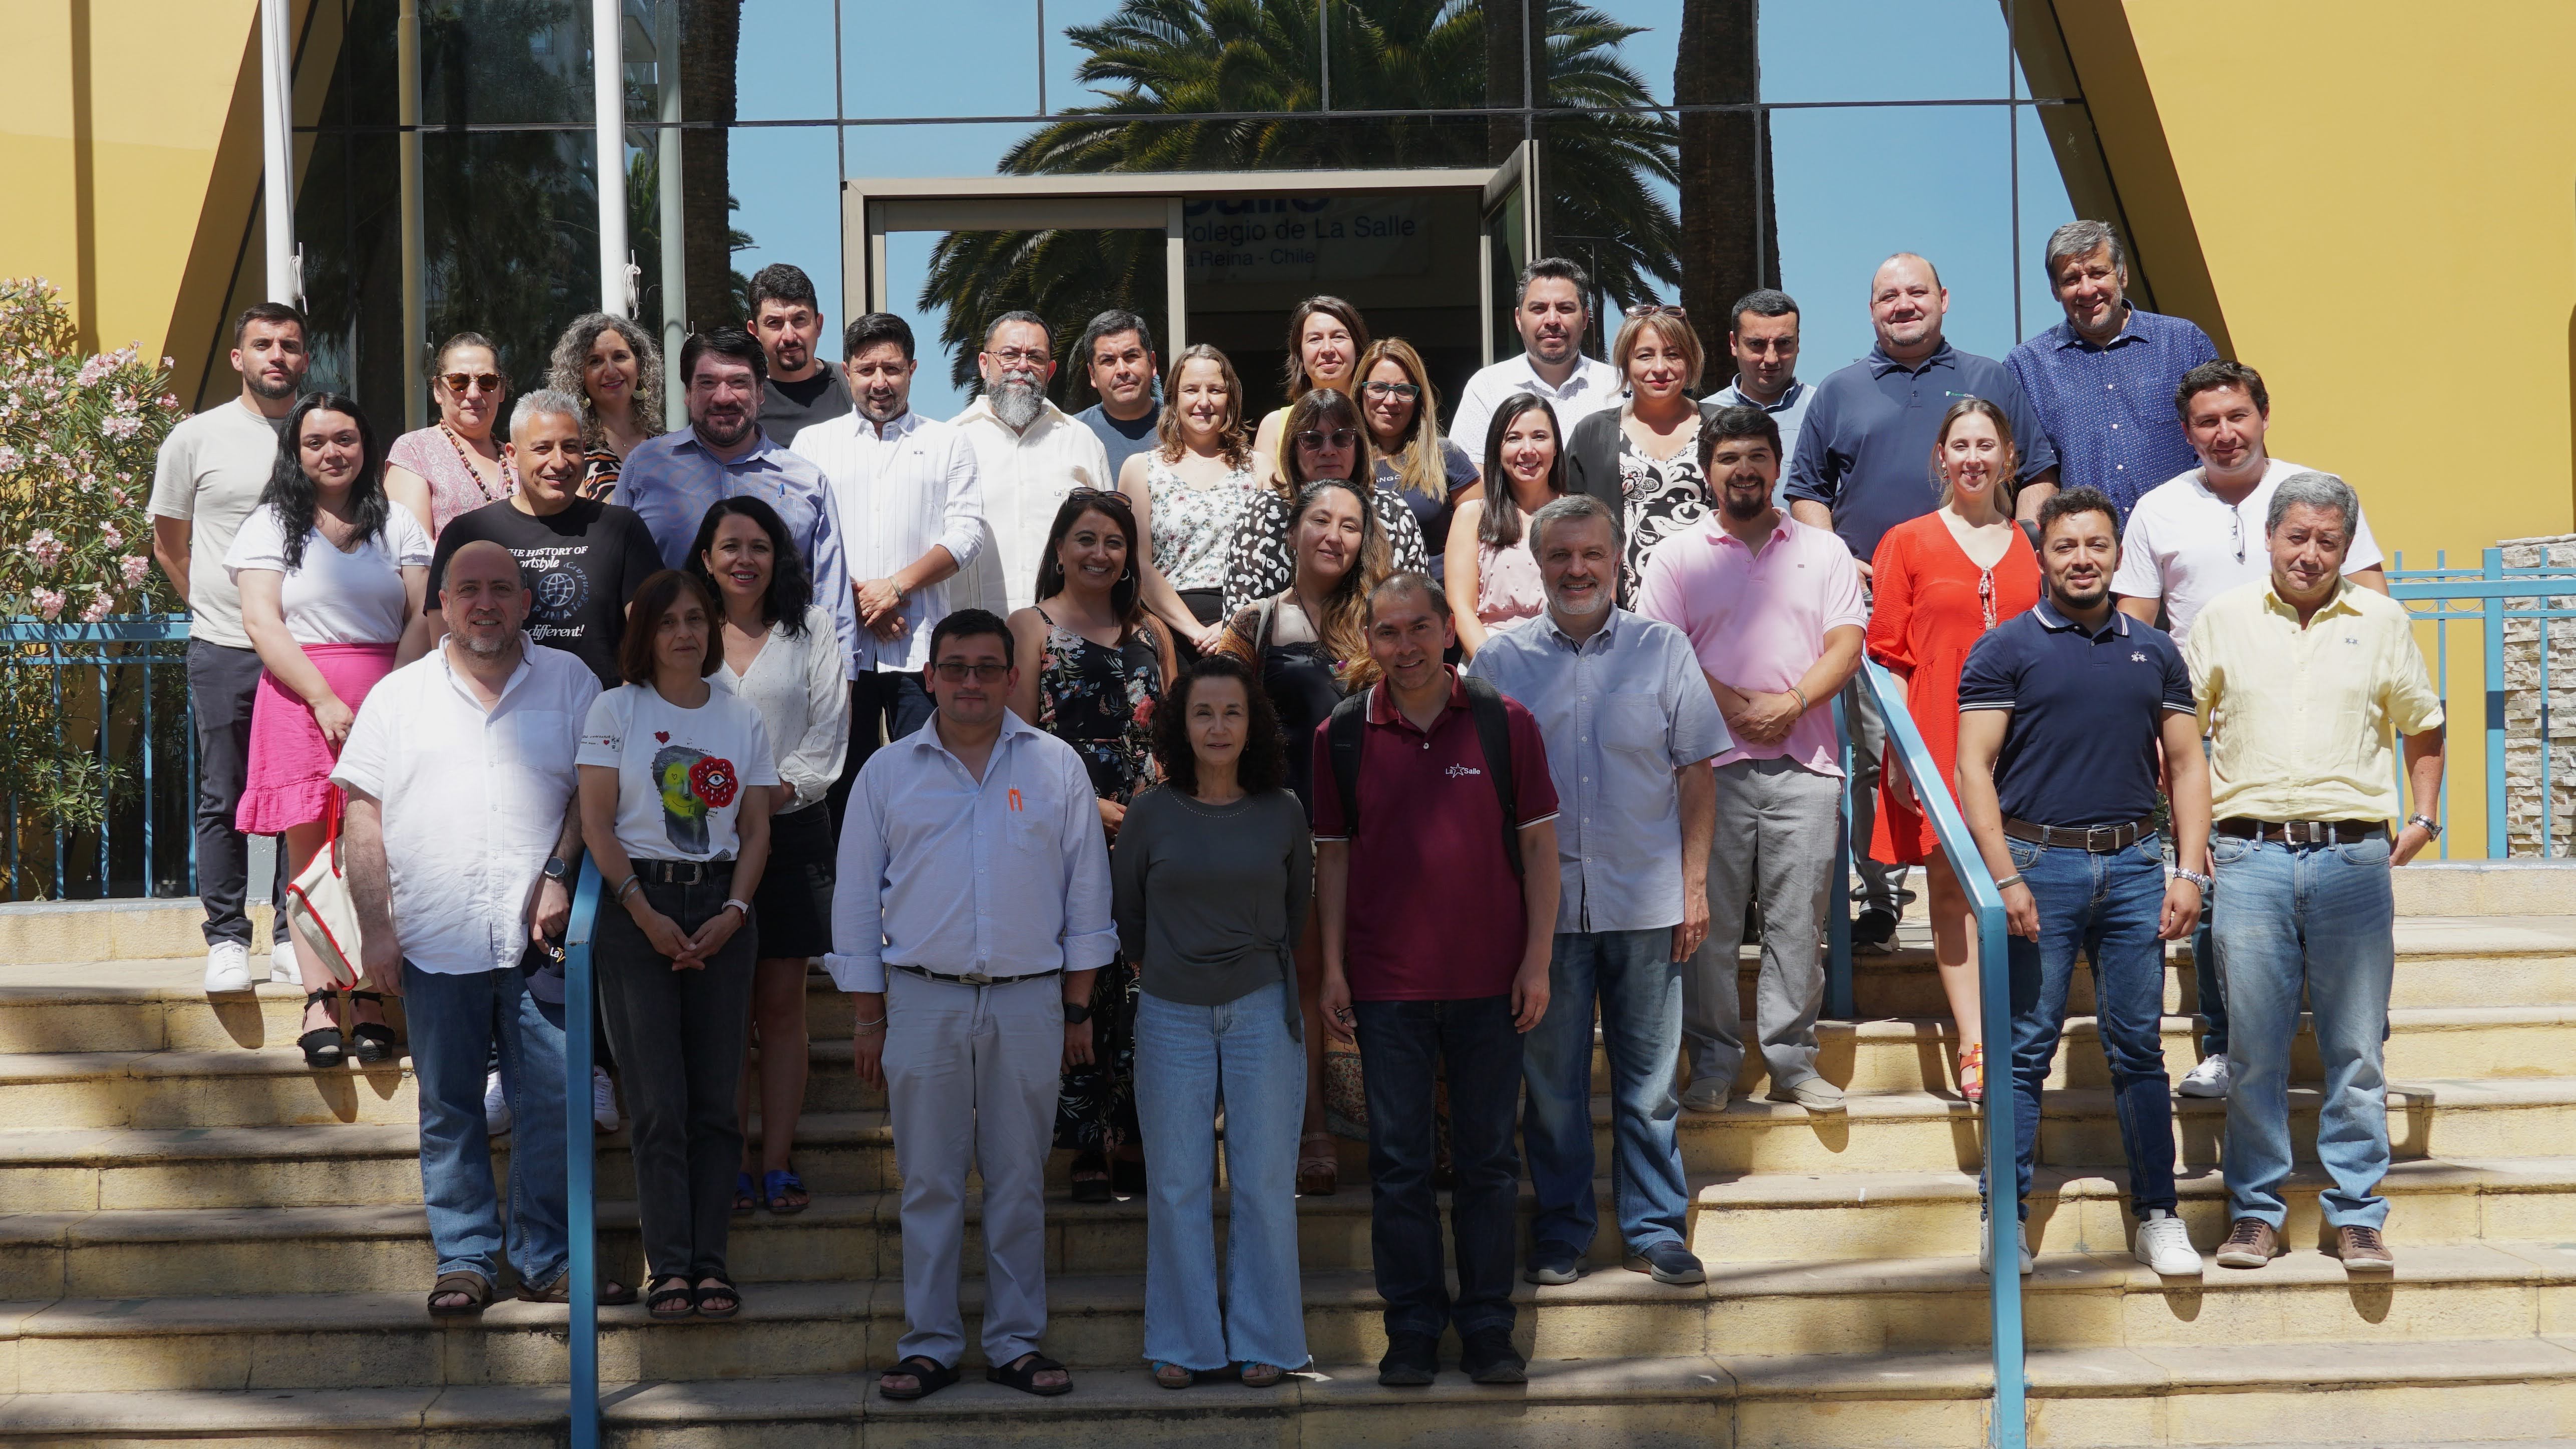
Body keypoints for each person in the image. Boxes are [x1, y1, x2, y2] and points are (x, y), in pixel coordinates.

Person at [829, 609, 1116, 1402]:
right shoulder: (886, 773)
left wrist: (1077, 1007)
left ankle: (1015, 1341)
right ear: (929, 677)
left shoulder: (1055, 767)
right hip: (922, 1000)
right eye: (954, 667)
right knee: (928, 1182)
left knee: (1019, 1179)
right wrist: (866, 1015)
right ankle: (928, 1344)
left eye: (987, 668)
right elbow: (853, 903)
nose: (970, 682)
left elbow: (1087, 894)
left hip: (1029, 1003)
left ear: (1011, 678)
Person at [335, 539, 622, 1316]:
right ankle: (463, 1260)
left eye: (501, 588)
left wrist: (559, 871)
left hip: (541, 944)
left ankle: (545, 1259)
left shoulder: (572, 682)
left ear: (526, 603)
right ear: (442, 606)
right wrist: (375, 932)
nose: (485, 603)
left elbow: (591, 793)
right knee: (449, 1106)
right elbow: (362, 819)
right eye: (468, 590)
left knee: (554, 1104)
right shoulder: (397, 698)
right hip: (435, 937)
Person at [2189, 472, 2445, 1275]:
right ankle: (2254, 1213)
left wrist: (2423, 818)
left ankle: (2357, 1215)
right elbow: (2177, 734)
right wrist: (2189, 839)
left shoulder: (2381, 621)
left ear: (2345, 547)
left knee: (2356, 1050)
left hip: (2351, 857)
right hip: (2248, 855)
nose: (2308, 554)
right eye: (2295, 536)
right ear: (2268, 538)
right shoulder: (2222, 618)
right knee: (2253, 1050)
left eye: (2327, 541)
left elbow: (2423, 722)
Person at [2112, 359, 2388, 1100]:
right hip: (2202, 722)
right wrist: (2150, 725)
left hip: (2313, 717)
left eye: (2236, 415)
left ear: (2263, 415)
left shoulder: (2318, 491)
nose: (2224, 433)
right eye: (2207, 421)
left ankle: (2352, 1038)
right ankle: (2224, 1044)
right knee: (2211, 878)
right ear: (2186, 432)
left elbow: (2372, 599)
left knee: (2329, 881)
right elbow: (2135, 626)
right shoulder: (2157, 508)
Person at [1468, 493, 1725, 1289]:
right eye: (1559, 555)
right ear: (1537, 564)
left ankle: (1655, 1229)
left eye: (1590, 554)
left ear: (1616, 561)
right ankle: (1561, 1230)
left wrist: (1693, 886)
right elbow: (1478, 795)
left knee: (1648, 1087)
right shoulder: (1500, 664)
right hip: (1542, 919)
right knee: (1551, 1089)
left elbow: (1695, 772)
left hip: (1645, 903)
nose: (1575, 569)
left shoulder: (1662, 649)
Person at [1953, 485, 2209, 1279]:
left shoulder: (2154, 651)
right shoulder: (2003, 648)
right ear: (2042, 555)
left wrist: (2187, 870)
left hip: (2134, 866)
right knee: (2022, 1050)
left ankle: (2158, 1215)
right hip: (2038, 865)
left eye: (2096, 545)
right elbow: (1972, 767)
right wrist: (2003, 878)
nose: (2081, 559)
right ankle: (2006, 1217)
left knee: (2137, 1048)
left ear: (2116, 553)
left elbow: (2186, 765)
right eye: (2065, 546)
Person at [1314, 573, 1560, 1388]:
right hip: (1387, 989)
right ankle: (1412, 1326)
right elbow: (1332, 861)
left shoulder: (1503, 722)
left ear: (1447, 630)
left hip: (1491, 984)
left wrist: (1536, 959)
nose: (1406, 646)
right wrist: (1333, 969)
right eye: (1387, 632)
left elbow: (1538, 850)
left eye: (1419, 627)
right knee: (1398, 1165)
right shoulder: (1340, 734)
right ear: (1369, 642)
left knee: (1488, 1162)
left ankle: (1488, 1326)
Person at [1783, 254, 2058, 953]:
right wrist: (1835, 558)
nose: (1902, 304)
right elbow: (1807, 489)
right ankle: (1879, 897)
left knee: (2008, 748)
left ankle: (2015, 885)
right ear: (1871, 308)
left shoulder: (1989, 378)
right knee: (1880, 753)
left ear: (1943, 298)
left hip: (1982, 608)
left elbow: (2037, 472)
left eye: (1916, 292)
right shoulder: (1839, 389)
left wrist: (2022, 545)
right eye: (1888, 295)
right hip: (1876, 606)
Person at [1637, 407, 1864, 1114]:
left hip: (1808, 763)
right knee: (1705, 926)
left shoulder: (1824, 551)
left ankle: (1792, 1062)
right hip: (1706, 770)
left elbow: (1846, 645)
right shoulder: (1675, 555)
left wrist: (1790, 703)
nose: (1743, 469)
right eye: (1728, 457)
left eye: (1757, 456)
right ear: (1707, 471)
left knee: (1798, 925)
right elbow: (1663, 650)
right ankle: (1711, 1064)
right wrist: (1737, 708)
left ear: (1776, 464)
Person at [577, 568, 777, 1322]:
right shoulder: (615, 709)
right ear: (645, 634)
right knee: (658, 1103)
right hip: (639, 907)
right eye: (667, 622)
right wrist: (643, 912)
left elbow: (756, 829)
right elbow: (597, 824)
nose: (684, 633)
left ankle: (709, 1264)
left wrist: (733, 912)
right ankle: (669, 1267)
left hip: (722, 906)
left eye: (696, 618)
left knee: (718, 1103)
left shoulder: (740, 716)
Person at [1114, 654, 1313, 1389]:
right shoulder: (1149, 812)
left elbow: (1296, 911)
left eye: (1232, 712)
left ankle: (1266, 1340)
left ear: (1252, 723)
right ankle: (1183, 1341)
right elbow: (1128, 917)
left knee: (1264, 1180)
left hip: (1262, 1006)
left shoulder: (1283, 810)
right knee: (1175, 1181)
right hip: (1171, 1011)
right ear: (1181, 724)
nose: (1218, 726)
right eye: (1203, 712)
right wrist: (1173, 964)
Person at [225, 392, 431, 1068]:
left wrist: (389, 698)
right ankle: (319, 996)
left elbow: (422, 617)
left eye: (345, 438)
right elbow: (261, 621)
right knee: (311, 850)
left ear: (365, 445)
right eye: (315, 442)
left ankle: (368, 993)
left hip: (388, 697)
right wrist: (321, 700)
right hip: (298, 699)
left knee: (375, 848)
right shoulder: (268, 525)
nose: (332, 452)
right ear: (296, 451)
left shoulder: (397, 522)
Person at [1863, 398, 2042, 1103]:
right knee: (1950, 882)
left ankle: (2021, 1027)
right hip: (1935, 728)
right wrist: (1902, 752)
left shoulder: (2034, 541)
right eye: (1959, 445)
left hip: (2028, 736)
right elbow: (1888, 656)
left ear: (2008, 457)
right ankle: (1974, 1040)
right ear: (1940, 457)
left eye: (1985, 445)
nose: (1972, 458)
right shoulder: (1906, 540)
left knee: (2026, 872)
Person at [1215, 474, 1385, 1196]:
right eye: (1320, 519)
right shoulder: (1256, 622)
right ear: (1291, 533)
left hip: (1378, 833)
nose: (1334, 535)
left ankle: (1409, 1127)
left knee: (1388, 978)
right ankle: (1314, 1126)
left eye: (1349, 524)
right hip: (1288, 832)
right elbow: (1214, 716)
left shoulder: (1383, 620)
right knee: (1309, 977)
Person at [1005, 491, 1174, 1202]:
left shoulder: (1152, 630)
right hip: (1064, 828)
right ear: (1059, 547)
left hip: (1147, 832)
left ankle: (1133, 1131)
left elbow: (1175, 730)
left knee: (1140, 982)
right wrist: (1085, 806)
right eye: (1085, 539)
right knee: (1079, 977)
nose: (1099, 553)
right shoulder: (1030, 626)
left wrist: (1157, 808)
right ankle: (1084, 1140)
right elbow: (1014, 745)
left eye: (1113, 541)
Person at [686, 497, 847, 1219]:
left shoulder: (810, 627)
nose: (744, 559)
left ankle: (776, 1162)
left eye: (759, 545)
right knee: (724, 1011)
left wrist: (773, 792)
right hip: (699, 840)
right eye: (730, 546)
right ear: (706, 557)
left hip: (790, 832)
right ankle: (727, 1163)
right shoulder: (685, 627)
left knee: (781, 1006)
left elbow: (829, 733)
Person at [153, 301, 309, 994]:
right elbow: (169, 542)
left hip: (310, 649)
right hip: (225, 646)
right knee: (225, 793)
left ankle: (293, 933)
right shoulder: (196, 437)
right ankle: (225, 938)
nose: (278, 355)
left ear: (305, 359)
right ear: (238, 357)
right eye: (264, 344)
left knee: (301, 793)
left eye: (290, 345)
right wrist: (219, 606)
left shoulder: (323, 432)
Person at [789, 312, 983, 818]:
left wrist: (895, 587)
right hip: (836, 652)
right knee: (840, 789)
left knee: (926, 785)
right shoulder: (812, 444)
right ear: (847, 372)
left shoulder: (948, 442)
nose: (880, 382)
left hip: (920, 647)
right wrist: (857, 601)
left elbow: (967, 534)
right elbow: (796, 541)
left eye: (892, 369)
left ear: (913, 369)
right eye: (867, 369)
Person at [617, 328, 858, 673]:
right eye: (707, 383)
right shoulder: (644, 467)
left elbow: (831, 596)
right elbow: (620, 581)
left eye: (739, 382)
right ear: (687, 393)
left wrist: (842, 680)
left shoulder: (807, 482)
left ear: (761, 392)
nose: (723, 397)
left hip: (782, 682)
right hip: (668, 679)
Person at [425, 390, 661, 688]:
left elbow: (651, 634)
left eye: (570, 447)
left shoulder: (621, 527)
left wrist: (619, 709)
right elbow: (445, 645)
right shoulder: (467, 534)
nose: (559, 462)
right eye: (543, 448)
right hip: (498, 708)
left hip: (601, 710)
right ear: (512, 455)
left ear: (584, 450)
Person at [2005, 220, 2220, 521]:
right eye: (2071, 279)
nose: (2087, 290)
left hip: (2182, 531)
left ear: (2122, 274)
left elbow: (2217, 439)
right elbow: (2027, 473)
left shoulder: (2183, 342)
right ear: (2055, 290)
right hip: (2087, 545)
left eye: (2097, 273)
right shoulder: (2027, 366)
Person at [951, 312, 1115, 618]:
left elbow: (1111, 540)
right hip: (973, 636)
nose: (1023, 366)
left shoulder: (1082, 440)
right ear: (984, 364)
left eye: (1035, 357)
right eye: (1010, 355)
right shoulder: (952, 441)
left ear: (1050, 371)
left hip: (1068, 631)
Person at [1563, 307, 1728, 605]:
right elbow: (1568, 524)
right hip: (1623, 611)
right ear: (1625, 363)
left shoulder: (1722, 427)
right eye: (1645, 355)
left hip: (1713, 604)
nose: (1660, 368)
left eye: (1674, 354)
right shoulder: (1592, 433)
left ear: (1691, 360)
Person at [1220, 387, 1427, 617]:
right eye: (1312, 439)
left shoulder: (1392, 511)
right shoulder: (1263, 512)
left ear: (1358, 445)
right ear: (1293, 448)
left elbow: (1417, 609)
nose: (1328, 450)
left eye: (1342, 438)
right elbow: (1240, 618)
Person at [1117, 343, 1261, 657]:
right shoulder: (1140, 469)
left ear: (1231, 398)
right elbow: (1138, 564)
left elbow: (1274, 565)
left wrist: (1231, 625)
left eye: (1216, 390)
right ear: (1173, 398)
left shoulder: (1260, 469)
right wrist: (1196, 631)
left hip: (1243, 632)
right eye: (1192, 390)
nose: (1204, 402)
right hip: (1168, 634)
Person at [1451, 257, 1624, 460]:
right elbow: (1469, 472)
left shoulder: (1618, 386)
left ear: (1585, 318)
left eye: (1565, 308)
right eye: (1539, 309)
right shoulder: (1487, 387)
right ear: (1518, 319)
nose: (1552, 320)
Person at [1444, 393, 1563, 655]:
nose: (1528, 449)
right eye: (1514, 438)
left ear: (1556, 446)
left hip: (1566, 658)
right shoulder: (1471, 516)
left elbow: (1598, 604)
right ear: (1497, 449)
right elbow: (1461, 608)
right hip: (1490, 658)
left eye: (1539, 436)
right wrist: (1495, 667)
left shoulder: (1581, 516)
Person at [1357, 337, 1481, 585]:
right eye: (1378, 388)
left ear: (1419, 399)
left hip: (1438, 599)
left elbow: (1484, 541)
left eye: (1403, 390)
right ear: (1360, 392)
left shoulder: (1445, 455)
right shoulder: (1344, 459)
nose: (1390, 401)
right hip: (1364, 601)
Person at [387, 332, 516, 539]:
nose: (474, 393)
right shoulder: (415, 451)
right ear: (438, 390)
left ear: (501, 390)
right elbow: (413, 548)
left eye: (487, 381)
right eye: (458, 381)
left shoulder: (516, 458)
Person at [1251, 295, 1369, 489]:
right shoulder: (1275, 426)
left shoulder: (1376, 418)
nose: (1327, 349)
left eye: (1339, 337)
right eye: (1315, 339)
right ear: (1300, 353)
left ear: (1357, 346)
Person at [546, 313, 666, 502]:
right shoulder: (573, 452)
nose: (610, 371)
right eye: (595, 361)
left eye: (620, 357)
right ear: (578, 376)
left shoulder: (669, 446)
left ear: (640, 365)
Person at [1705, 289, 1812, 497]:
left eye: (1783, 343)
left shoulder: (1825, 410)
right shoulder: (1704, 415)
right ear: (1734, 343)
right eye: (1757, 344)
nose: (1771, 358)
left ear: (1798, 342)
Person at [747, 263, 852, 446]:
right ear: (755, 332)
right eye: (774, 323)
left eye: (800, 320)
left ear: (819, 325)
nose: (789, 336)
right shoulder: (742, 400)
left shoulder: (851, 388)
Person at [1072, 309, 1163, 479]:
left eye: (1131, 356)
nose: (1122, 370)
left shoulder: (1184, 426)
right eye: (1108, 360)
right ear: (1092, 374)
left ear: (1152, 364)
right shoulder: (1073, 434)